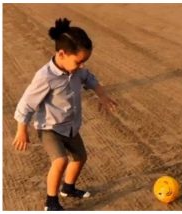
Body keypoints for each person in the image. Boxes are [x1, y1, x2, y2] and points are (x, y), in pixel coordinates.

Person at [12, 18, 118, 211]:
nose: (81, 66)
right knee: (60, 160)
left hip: (70, 126)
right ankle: (50, 202)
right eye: (78, 61)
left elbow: (90, 78)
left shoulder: (77, 71)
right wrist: (22, 130)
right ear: (62, 54)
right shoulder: (45, 77)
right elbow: (26, 103)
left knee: (80, 157)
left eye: (84, 61)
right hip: (49, 129)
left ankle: (68, 188)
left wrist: (101, 94)